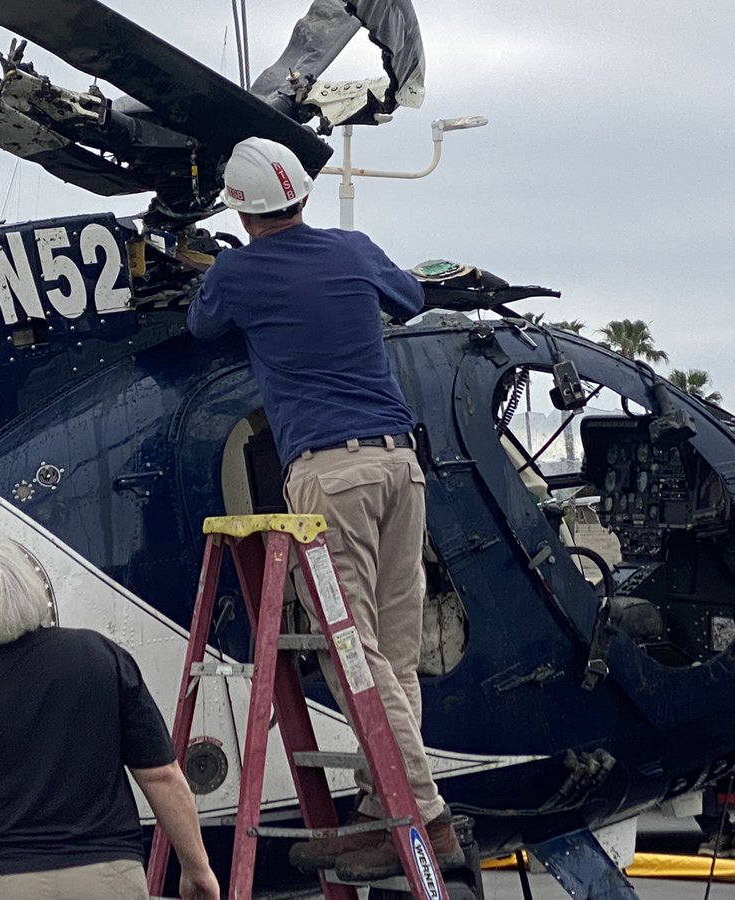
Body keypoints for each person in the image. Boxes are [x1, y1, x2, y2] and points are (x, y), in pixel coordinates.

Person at [186, 136, 463, 880]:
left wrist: (207, 266)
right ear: (304, 193)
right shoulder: (353, 247)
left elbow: (200, 327)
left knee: (353, 654)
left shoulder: (238, 270)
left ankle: (424, 814)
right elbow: (409, 294)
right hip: (401, 467)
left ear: (241, 211)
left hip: (329, 473)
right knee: (395, 652)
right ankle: (382, 809)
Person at [0, 529, 221, 900]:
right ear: (28, 587)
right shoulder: (98, 657)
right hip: (105, 879)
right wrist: (197, 867)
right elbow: (161, 775)